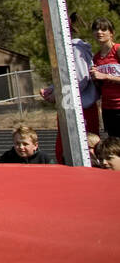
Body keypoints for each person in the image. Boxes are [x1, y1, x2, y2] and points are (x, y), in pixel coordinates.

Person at [43, 13, 102, 164]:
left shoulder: (75, 48)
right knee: (63, 150)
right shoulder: (62, 48)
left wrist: (57, 94)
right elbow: (65, 77)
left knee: (84, 151)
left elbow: (80, 78)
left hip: (81, 108)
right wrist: (51, 89)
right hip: (68, 106)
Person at [90, 18, 120, 138]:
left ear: (111, 33)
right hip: (108, 108)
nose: (99, 32)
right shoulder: (96, 58)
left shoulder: (117, 49)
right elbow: (100, 86)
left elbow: (106, 77)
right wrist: (95, 79)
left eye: (104, 29)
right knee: (114, 145)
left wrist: (105, 75)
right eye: (96, 29)